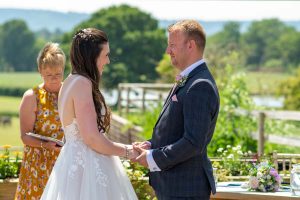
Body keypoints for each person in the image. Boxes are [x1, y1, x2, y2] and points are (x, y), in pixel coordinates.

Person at [40, 28, 138, 200]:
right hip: (88, 168)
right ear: (92, 56)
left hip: (72, 164)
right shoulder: (82, 83)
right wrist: (128, 151)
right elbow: (91, 138)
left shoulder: (69, 81)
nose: (108, 61)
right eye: (105, 55)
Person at [133, 19, 220, 200]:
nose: (167, 51)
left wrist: (153, 158)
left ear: (190, 45)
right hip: (174, 187)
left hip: (185, 189)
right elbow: (176, 129)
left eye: (172, 45)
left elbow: (193, 142)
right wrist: (152, 145)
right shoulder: (189, 79)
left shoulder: (200, 84)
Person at [15, 42, 65, 200]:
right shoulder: (32, 97)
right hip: (38, 165)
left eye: (58, 74)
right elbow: (24, 136)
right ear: (40, 71)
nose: (54, 79)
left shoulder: (69, 93)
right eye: (49, 75)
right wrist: (45, 145)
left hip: (65, 161)